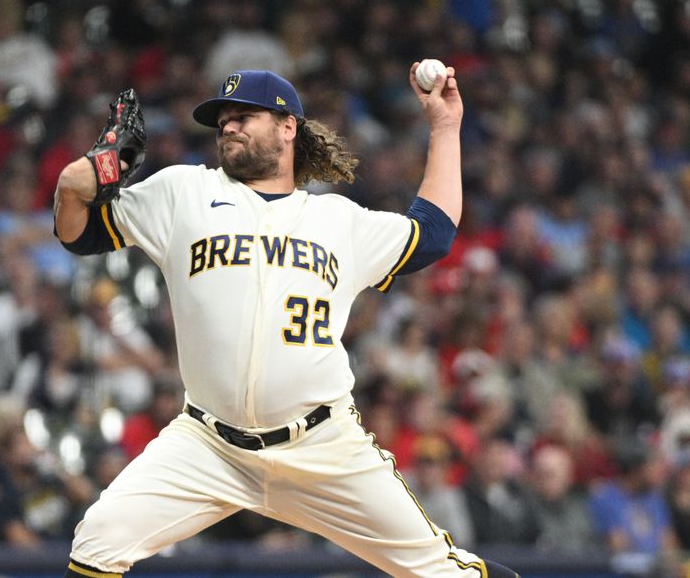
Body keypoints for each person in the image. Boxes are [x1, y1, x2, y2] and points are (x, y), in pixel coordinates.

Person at [55, 66, 519, 577]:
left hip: (322, 445)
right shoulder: (182, 192)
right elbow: (80, 234)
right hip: (207, 445)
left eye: (244, 116)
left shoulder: (337, 220)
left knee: (442, 572)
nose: (228, 126)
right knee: (98, 540)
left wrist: (445, 128)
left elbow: (432, 233)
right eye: (223, 120)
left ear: (288, 127)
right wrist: (75, 182)